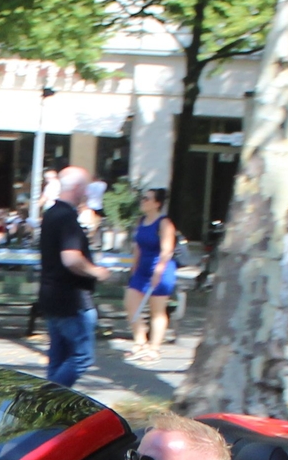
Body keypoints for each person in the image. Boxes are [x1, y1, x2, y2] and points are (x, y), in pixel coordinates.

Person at [36, 166, 109, 388]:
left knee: (58, 357)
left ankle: (51, 409)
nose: (87, 193)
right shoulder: (67, 218)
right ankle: (47, 401)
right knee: (81, 357)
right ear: (77, 188)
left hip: (51, 295)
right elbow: (71, 258)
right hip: (72, 299)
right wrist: (97, 271)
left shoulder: (51, 213)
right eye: (86, 187)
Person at [123, 188, 180, 360]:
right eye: (142, 198)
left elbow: (167, 250)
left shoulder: (164, 223)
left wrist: (159, 271)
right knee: (130, 304)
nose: (143, 201)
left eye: (147, 199)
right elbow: (138, 247)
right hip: (142, 271)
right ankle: (140, 342)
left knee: (157, 311)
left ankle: (154, 348)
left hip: (160, 270)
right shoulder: (141, 221)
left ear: (157, 203)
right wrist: (134, 267)